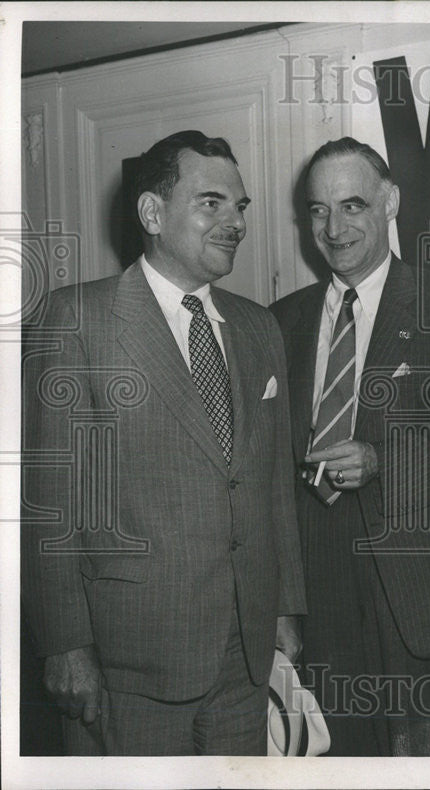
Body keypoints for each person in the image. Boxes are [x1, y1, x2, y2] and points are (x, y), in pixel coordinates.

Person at [21, 130, 306, 755]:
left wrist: (285, 609)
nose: (234, 221)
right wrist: (64, 644)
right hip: (129, 661)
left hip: (245, 654)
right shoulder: (76, 320)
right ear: (153, 213)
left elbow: (272, 488)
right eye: (212, 203)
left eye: (241, 207)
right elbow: (48, 503)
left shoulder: (259, 326)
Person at [270, 137, 430, 756]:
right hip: (315, 596)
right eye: (318, 210)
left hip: (412, 595)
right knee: (327, 759)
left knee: (416, 757)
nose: (334, 227)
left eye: (352, 206)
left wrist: (381, 461)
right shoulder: (281, 320)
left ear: (390, 202)